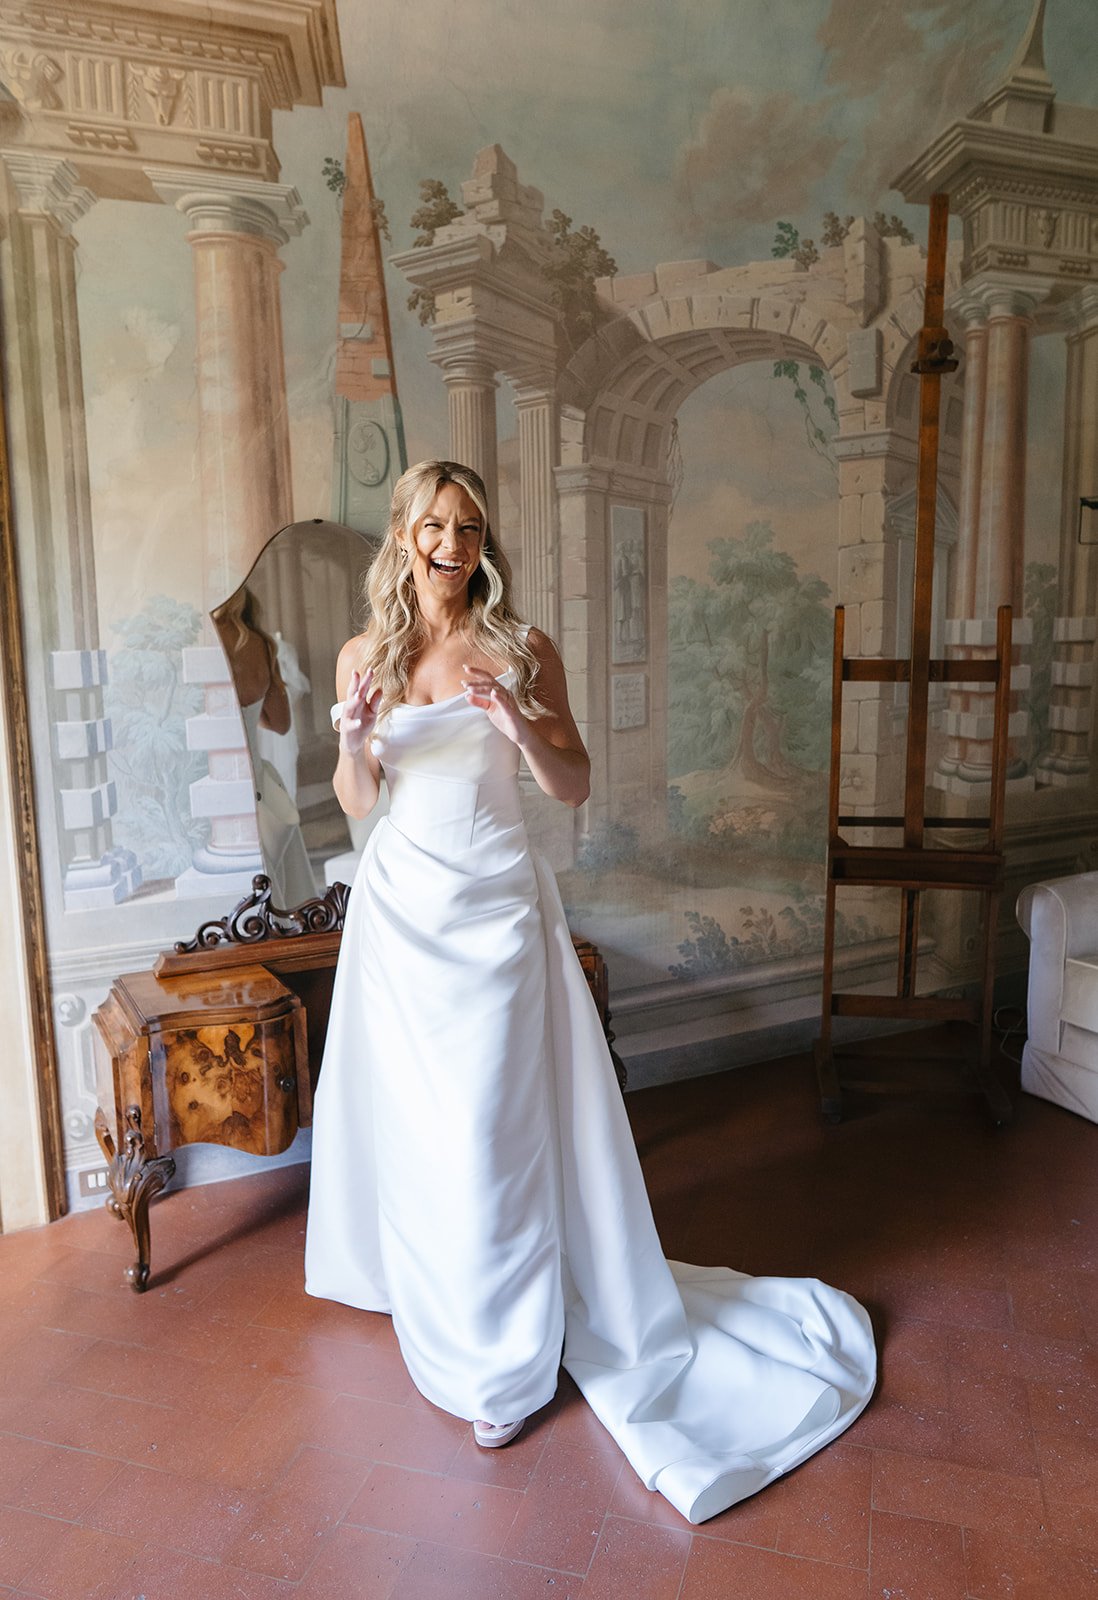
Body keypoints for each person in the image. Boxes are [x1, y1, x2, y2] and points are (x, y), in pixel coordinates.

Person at [304, 460, 876, 1523]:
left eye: (469, 526)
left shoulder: (523, 647)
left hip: (498, 913)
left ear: (484, 541)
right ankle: (449, 1305)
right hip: (401, 920)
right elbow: (357, 805)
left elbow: (570, 783)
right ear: (405, 535)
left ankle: (504, 1365)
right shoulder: (364, 652)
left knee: (493, 1128)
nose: (453, 542)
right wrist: (349, 735)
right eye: (434, 524)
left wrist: (516, 722)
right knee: (427, 1131)